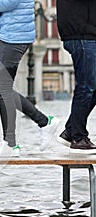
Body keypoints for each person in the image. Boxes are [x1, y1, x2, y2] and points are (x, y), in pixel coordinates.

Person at [0, 0, 57, 155]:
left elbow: (8, 2)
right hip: (12, 33)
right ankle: (40, 125)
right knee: (1, 88)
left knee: (0, 87)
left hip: (14, 36)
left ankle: (12, 143)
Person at [56, 0, 96, 153]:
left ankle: (71, 131)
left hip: (87, 33)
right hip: (81, 33)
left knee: (91, 86)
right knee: (86, 86)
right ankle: (78, 139)